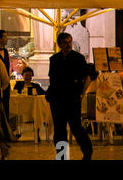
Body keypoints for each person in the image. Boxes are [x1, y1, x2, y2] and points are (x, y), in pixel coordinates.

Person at [47, 32, 93, 160]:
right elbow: (52, 78)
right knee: (59, 129)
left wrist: (82, 93)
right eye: (65, 43)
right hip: (57, 98)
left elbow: (87, 77)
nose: (68, 45)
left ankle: (87, 151)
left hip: (72, 97)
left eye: (70, 42)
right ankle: (62, 156)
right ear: (59, 44)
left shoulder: (78, 58)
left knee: (76, 126)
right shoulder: (54, 59)